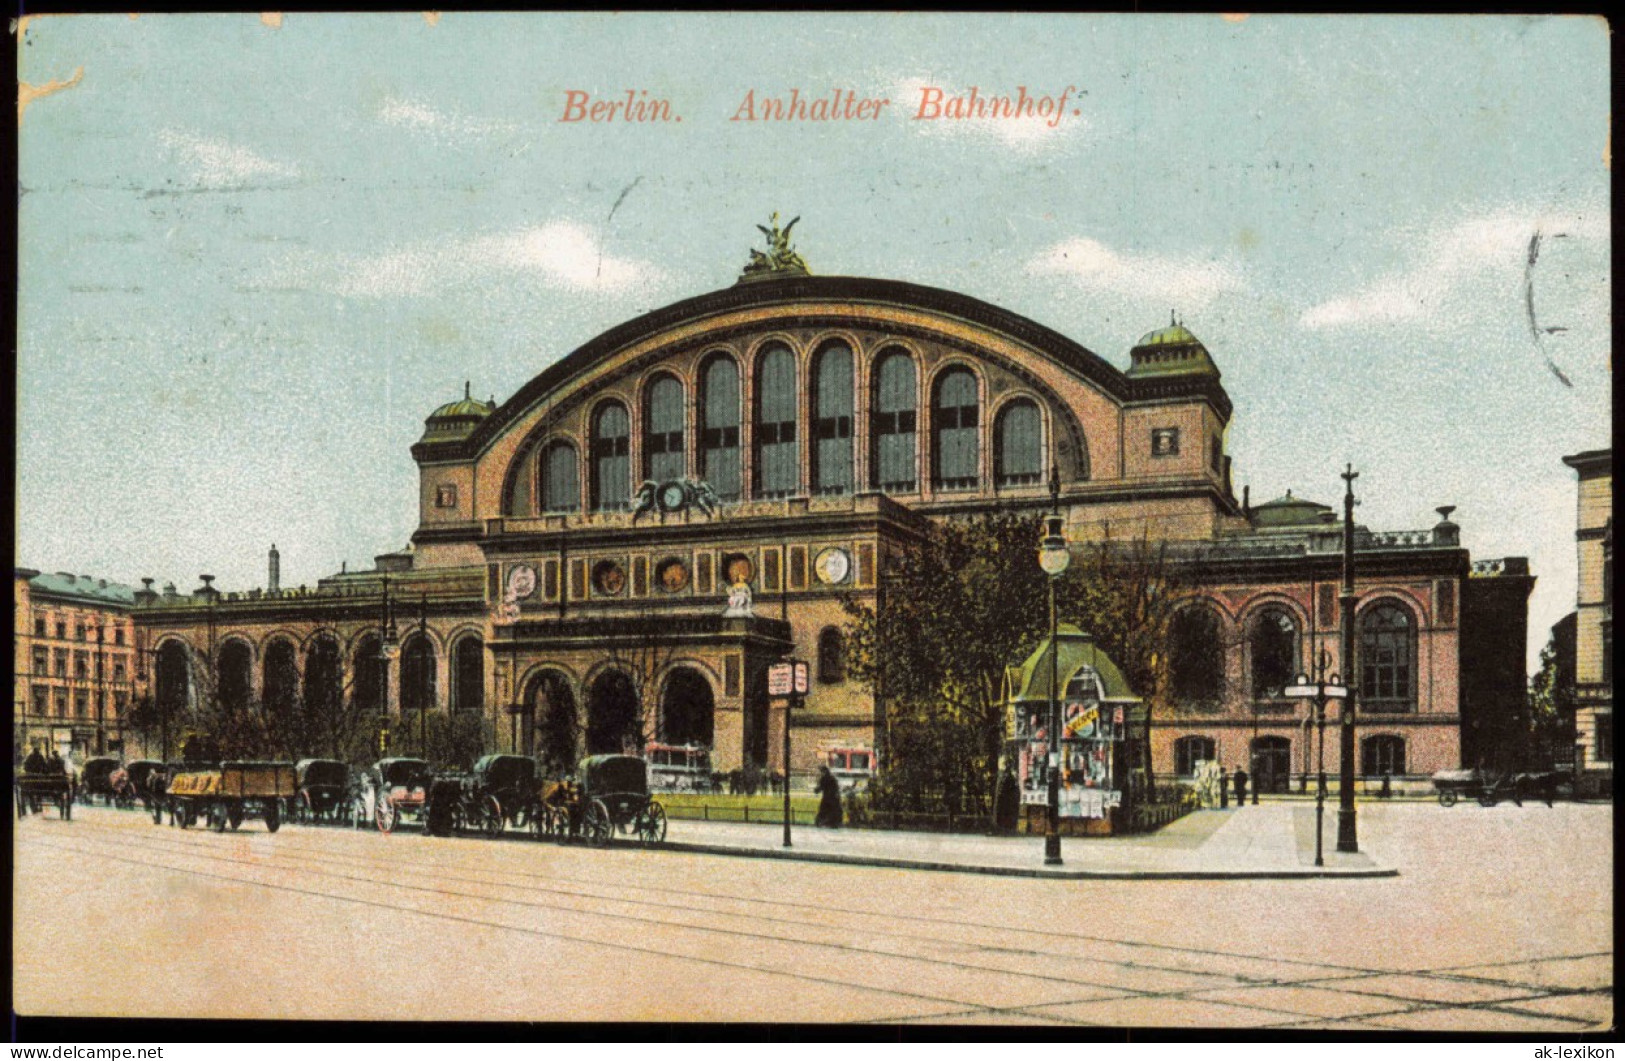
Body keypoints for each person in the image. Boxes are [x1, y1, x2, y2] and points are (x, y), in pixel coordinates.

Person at [994, 765, 1020, 833]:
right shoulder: (1011, 779)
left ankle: (1004, 827)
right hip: (1009, 802)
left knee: (1005, 815)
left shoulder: (1004, 779)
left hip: (1006, 801)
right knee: (1008, 815)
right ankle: (1008, 827)